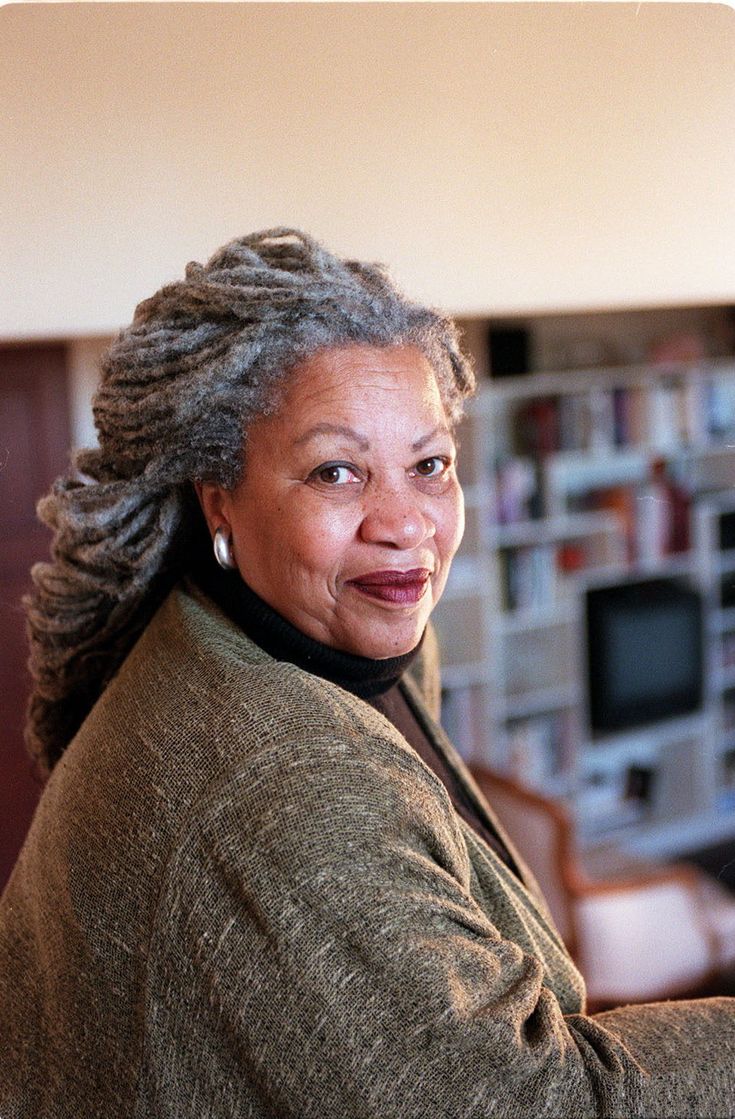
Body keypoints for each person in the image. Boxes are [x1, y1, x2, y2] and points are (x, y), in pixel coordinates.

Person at [1, 228, 734, 1118]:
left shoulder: (302, 648)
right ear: (219, 498)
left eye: (429, 465)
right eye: (335, 471)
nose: (405, 523)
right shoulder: (287, 786)